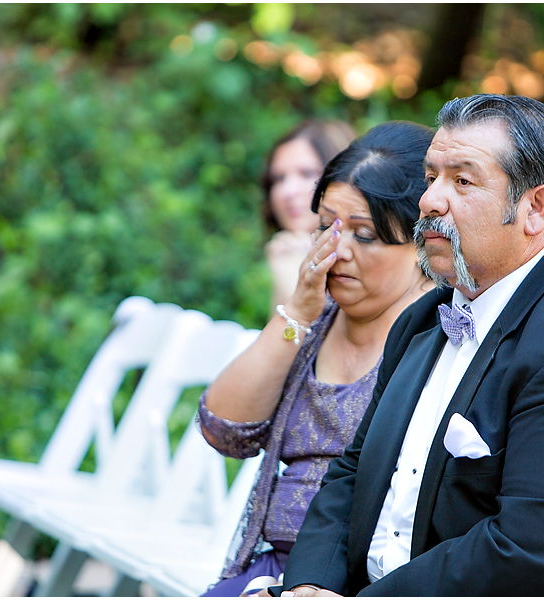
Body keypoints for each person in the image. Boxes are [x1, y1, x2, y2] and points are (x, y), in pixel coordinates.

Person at [276, 94, 544, 597]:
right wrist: (310, 585)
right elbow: (353, 471)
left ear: (535, 208)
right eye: (431, 178)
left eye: (462, 181)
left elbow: (525, 553)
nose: (429, 202)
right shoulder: (424, 319)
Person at [198, 121, 436, 596]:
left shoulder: (439, 337)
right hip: (264, 571)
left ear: (422, 241)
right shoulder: (314, 318)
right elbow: (224, 429)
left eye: (364, 235)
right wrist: (298, 311)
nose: (335, 250)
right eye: (326, 225)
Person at [262, 120, 357, 310]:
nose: (288, 191)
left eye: (306, 173)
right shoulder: (284, 250)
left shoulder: (369, 256)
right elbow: (286, 337)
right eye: (278, 178)